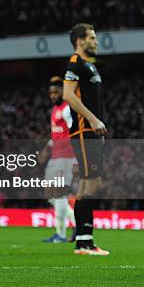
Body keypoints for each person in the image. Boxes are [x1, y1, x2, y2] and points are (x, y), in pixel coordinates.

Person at [63, 23, 109, 255]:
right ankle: (84, 241)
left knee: (88, 184)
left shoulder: (90, 67)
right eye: (92, 37)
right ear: (80, 41)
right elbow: (68, 94)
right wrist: (92, 120)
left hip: (91, 133)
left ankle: (84, 240)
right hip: (83, 131)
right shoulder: (75, 63)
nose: (96, 41)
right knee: (91, 183)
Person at [40, 76, 77, 243]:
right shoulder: (55, 110)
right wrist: (46, 149)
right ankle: (76, 224)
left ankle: (61, 235)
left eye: (56, 92)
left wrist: (77, 159)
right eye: (51, 93)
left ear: (63, 92)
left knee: (59, 194)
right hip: (55, 156)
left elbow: (74, 132)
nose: (53, 95)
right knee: (51, 195)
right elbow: (57, 134)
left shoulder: (66, 109)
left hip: (66, 157)